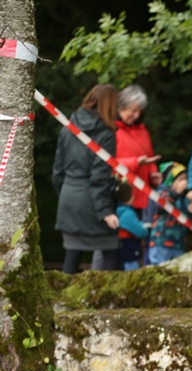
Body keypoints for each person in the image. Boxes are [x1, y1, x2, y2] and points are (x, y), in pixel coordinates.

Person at [52, 84, 120, 274]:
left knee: (72, 255)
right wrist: (105, 211)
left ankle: (64, 293)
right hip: (92, 201)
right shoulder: (106, 135)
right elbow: (99, 177)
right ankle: (106, 295)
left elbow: (57, 171)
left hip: (68, 197)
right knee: (111, 250)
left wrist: (66, 195)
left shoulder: (68, 128)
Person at [115, 84, 163, 212]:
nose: (136, 115)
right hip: (122, 198)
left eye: (140, 111)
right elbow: (107, 163)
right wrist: (135, 162)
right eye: (133, 110)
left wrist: (152, 172)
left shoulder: (142, 131)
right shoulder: (111, 131)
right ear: (121, 106)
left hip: (143, 197)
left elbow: (149, 156)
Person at [148, 162, 192, 266]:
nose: (184, 182)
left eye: (186, 179)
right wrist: (175, 194)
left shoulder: (184, 198)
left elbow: (190, 218)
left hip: (178, 244)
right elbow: (161, 205)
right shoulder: (162, 192)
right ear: (171, 181)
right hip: (161, 242)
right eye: (180, 179)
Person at [115, 180, 148, 271]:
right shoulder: (128, 214)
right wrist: (146, 226)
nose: (133, 197)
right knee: (132, 271)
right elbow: (141, 231)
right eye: (131, 195)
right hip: (129, 249)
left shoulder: (117, 211)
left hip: (121, 249)